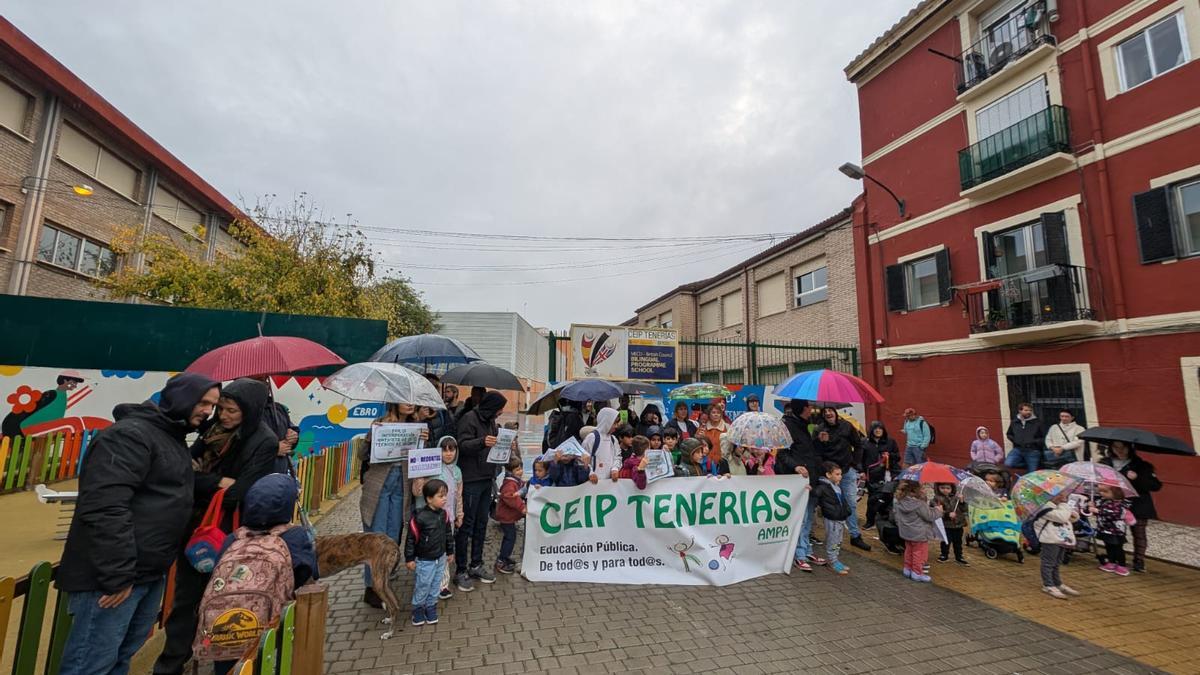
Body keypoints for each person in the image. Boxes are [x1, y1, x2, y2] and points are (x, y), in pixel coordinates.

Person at [56, 374, 220, 675]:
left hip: (147, 573)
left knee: (120, 660)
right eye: (203, 403)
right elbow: (105, 506)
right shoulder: (129, 436)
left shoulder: (170, 437)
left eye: (213, 405)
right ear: (182, 399)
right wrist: (118, 574)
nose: (208, 411)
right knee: (91, 665)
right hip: (114, 579)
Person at [154, 378, 280, 675]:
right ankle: (172, 663)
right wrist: (216, 482)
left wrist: (205, 481)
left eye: (231, 411)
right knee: (187, 600)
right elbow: (183, 473)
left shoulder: (263, 441)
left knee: (229, 600)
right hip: (197, 531)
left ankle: (228, 664)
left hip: (232, 534)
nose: (223, 415)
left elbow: (239, 492)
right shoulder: (211, 432)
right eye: (220, 408)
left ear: (248, 411)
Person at [201, 473, 317, 675]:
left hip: (223, 629)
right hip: (270, 622)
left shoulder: (233, 538)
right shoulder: (293, 536)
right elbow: (307, 572)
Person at [358, 403, 429, 607]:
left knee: (392, 536)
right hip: (380, 484)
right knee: (376, 537)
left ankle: (384, 582)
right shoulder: (380, 424)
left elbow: (420, 459)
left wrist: (423, 441)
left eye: (412, 401)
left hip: (402, 485)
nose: (410, 404)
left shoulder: (417, 426)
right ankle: (372, 588)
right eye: (404, 400)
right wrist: (370, 438)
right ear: (394, 402)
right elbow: (362, 455)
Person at [454, 391, 511, 591]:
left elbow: (494, 444)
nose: (501, 412)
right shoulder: (469, 418)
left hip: (487, 478)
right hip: (471, 479)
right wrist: (482, 442)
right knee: (466, 526)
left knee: (481, 524)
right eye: (499, 408)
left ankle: (476, 564)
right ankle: (461, 570)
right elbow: (461, 445)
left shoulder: (491, 421)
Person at [412, 436, 464, 600]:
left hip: (447, 518)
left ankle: (442, 585)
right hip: (428, 520)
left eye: (452, 449)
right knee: (427, 549)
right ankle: (424, 581)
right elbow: (417, 492)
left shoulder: (457, 471)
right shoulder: (431, 467)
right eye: (444, 450)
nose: (448, 454)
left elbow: (458, 496)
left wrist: (459, 514)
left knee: (445, 549)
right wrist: (419, 474)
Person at [1101, 440, 1161, 573]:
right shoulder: (1105, 463)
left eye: (1123, 447)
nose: (1119, 450)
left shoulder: (1141, 465)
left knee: (1139, 533)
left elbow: (1156, 486)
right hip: (1112, 504)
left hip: (1137, 504)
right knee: (1111, 532)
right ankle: (1114, 559)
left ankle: (1139, 560)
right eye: (1116, 447)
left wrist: (1138, 478)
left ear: (1130, 448)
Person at [817, 407, 871, 551]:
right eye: (825, 411)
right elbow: (815, 451)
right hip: (829, 474)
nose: (828, 413)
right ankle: (834, 537)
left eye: (830, 410)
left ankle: (855, 535)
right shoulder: (819, 430)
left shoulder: (847, 426)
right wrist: (820, 442)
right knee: (831, 506)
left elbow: (858, 445)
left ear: (835, 412)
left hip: (847, 471)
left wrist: (854, 464)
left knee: (851, 503)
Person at [779, 399, 823, 572]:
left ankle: (807, 549)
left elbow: (811, 452)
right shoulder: (788, 426)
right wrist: (795, 466)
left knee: (809, 519)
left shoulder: (807, 425)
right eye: (810, 406)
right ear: (804, 408)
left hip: (811, 478)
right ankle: (799, 554)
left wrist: (820, 441)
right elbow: (783, 454)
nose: (812, 409)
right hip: (799, 480)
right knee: (801, 518)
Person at [405, 479, 454, 626]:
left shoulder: (444, 515)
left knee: (435, 584)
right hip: (425, 560)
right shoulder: (419, 517)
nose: (444, 498)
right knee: (423, 584)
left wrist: (450, 551)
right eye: (440, 496)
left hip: (441, 558)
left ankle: (431, 607)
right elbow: (410, 540)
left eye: (445, 495)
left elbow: (448, 535)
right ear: (429, 498)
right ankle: (418, 609)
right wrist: (409, 558)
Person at [1030, 493, 1082, 599]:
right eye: (1059, 495)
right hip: (1050, 539)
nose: (1063, 497)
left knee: (1057, 563)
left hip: (1062, 538)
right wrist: (1065, 506)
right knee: (1048, 563)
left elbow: (1073, 518)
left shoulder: (1058, 507)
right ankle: (1048, 585)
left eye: (1063, 495)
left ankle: (1057, 583)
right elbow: (1062, 518)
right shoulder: (1044, 508)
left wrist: (1069, 512)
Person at [248, 375, 300, 475]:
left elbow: (292, 428)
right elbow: (241, 448)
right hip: (256, 476)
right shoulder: (244, 411)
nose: (266, 384)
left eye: (266, 380)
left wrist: (293, 436)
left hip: (281, 473)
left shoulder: (278, 408)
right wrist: (272, 451)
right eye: (259, 380)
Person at [894, 480, 941, 583]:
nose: (923, 490)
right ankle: (917, 573)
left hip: (907, 532)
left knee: (909, 551)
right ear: (916, 491)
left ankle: (907, 569)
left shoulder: (900, 501)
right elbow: (929, 516)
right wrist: (938, 510)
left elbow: (897, 517)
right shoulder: (919, 504)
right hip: (919, 534)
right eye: (922, 488)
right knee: (919, 554)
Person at [811, 462, 852, 576]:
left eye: (840, 474)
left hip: (839, 518)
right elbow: (816, 492)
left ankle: (835, 559)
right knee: (832, 541)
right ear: (828, 475)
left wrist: (846, 511)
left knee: (838, 541)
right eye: (837, 474)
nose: (840, 476)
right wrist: (810, 489)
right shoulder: (824, 487)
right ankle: (832, 561)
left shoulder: (836, 486)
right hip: (832, 520)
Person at [862, 421, 899, 530]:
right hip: (872, 475)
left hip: (888, 474)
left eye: (880, 428)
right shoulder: (865, 442)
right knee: (872, 499)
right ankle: (870, 520)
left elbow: (897, 457)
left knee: (887, 497)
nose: (878, 431)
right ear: (871, 430)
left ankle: (885, 517)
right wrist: (862, 471)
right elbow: (860, 458)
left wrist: (889, 456)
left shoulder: (891, 442)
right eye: (875, 429)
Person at [494, 456, 527, 575]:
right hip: (506, 517)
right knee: (510, 538)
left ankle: (505, 556)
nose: (521, 471)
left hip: (508, 517)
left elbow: (523, 487)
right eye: (517, 470)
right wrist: (522, 507)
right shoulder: (510, 484)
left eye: (521, 468)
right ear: (510, 471)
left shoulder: (515, 481)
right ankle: (501, 560)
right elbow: (511, 497)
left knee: (510, 537)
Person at [1092, 484, 1134, 576]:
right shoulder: (1105, 502)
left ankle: (1121, 565)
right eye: (1101, 491)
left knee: (1117, 547)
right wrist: (1092, 506)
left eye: (1105, 492)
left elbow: (1113, 514)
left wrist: (1098, 511)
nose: (1102, 493)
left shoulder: (1120, 504)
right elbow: (1100, 511)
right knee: (1109, 546)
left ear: (1115, 493)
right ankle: (1111, 562)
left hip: (1116, 531)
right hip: (1105, 529)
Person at [582, 407, 622, 484]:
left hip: (609, 483)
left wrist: (615, 469)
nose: (616, 426)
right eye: (614, 423)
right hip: (592, 484)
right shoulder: (592, 438)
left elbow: (617, 456)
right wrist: (590, 473)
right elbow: (582, 459)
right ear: (607, 421)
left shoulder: (613, 440)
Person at [934, 483, 969, 565]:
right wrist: (947, 514)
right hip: (946, 525)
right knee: (946, 541)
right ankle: (944, 554)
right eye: (942, 487)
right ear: (938, 488)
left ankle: (959, 556)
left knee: (958, 542)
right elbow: (935, 511)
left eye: (948, 488)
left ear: (952, 488)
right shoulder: (937, 499)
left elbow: (964, 509)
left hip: (958, 524)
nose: (945, 490)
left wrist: (962, 501)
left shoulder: (957, 497)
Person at [1005, 403, 1045, 473]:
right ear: (1020, 411)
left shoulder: (1037, 422)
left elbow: (1043, 436)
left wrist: (1034, 442)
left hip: (1032, 450)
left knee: (1032, 472)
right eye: (1026, 410)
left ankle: (1029, 463)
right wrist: (1016, 440)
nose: (1028, 412)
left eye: (1030, 410)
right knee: (1008, 464)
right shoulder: (1015, 422)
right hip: (1018, 449)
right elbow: (1009, 434)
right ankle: (1026, 462)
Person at [422, 374, 458, 441]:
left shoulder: (442, 410)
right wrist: (419, 418)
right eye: (435, 387)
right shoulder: (413, 409)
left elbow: (449, 431)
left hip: (438, 450)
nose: (438, 391)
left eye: (437, 387)